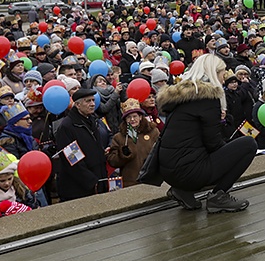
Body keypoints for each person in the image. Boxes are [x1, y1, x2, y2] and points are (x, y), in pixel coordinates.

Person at [156, 54, 257, 213]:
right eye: (222, 75)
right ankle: (218, 196)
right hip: (189, 171)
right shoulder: (207, 98)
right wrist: (229, 155)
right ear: (213, 73)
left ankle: (183, 191)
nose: (224, 80)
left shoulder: (182, 96)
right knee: (248, 145)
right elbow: (213, 143)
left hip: (170, 171)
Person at [53, 88, 111, 201]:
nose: (92, 104)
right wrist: (91, 181)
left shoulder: (93, 120)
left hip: (99, 180)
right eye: (88, 101)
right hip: (79, 188)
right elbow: (72, 159)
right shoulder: (67, 126)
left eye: (93, 100)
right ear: (78, 105)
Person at [106, 99, 159, 187]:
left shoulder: (153, 132)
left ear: (140, 117)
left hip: (152, 179)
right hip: (131, 182)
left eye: (135, 116)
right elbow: (112, 161)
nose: (132, 119)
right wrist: (122, 155)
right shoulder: (119, 137)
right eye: (129, 117)